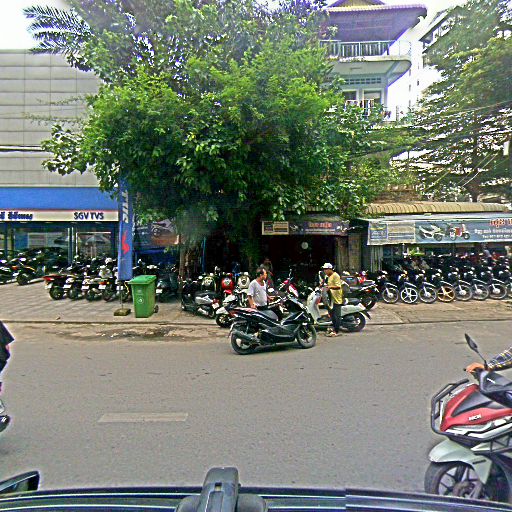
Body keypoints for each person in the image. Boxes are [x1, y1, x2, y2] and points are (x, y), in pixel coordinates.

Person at [321, 263, 344, 338]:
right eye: (324, 269)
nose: (325, 271)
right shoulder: (328, 276)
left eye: (326, 269)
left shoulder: (335, 275)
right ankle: (334, 329)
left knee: (337, 316)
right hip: (331, 298)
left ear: (330, 269)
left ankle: (336, 331)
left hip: (336, 298)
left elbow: (338, 286)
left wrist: (330, 287)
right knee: (332, 315)